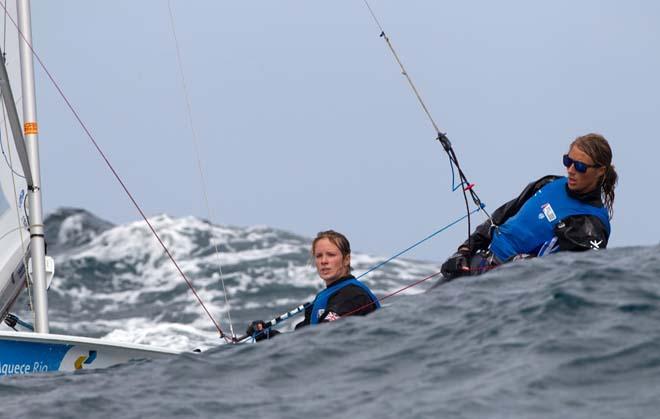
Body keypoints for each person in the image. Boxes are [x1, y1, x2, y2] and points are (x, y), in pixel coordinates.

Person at [441, 133, 618, 279]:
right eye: (568, 161)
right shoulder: (548, 183)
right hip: (478, 263)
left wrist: (526, 265)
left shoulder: (591, 225)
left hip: (508, 285)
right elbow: (499, 217)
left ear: (600, 170)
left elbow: (566, 278)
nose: (571, 170)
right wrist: (465, 250)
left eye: (580, 166)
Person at [245, 230, 380, 340]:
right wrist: (265, 335)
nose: (324, 261)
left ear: (346, 259)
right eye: (319, 256)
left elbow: (320, 338)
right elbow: (299, 340)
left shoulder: (353, 295)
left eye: (331, 255)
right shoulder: (324, 298)